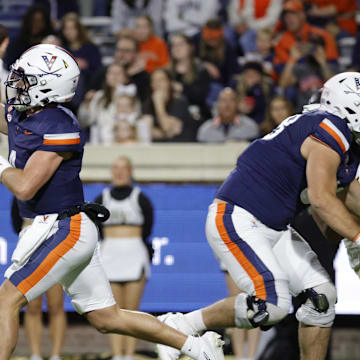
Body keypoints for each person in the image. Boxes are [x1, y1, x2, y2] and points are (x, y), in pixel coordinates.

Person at [0, 43, 225, 360]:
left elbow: (24, 187)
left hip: (63, 228)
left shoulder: (59, 124)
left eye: (25, 81)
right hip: (62, 227)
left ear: (47, 86)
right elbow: (8, 119)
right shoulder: (29, 114)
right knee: (107, 318)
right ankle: (196, 347)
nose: (16, 87)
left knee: (6, 301)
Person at [157, 71, 360, 360]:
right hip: (238, 216)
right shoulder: (330, 128)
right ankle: (183, 324)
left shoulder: (334, 135)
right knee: (272, 305)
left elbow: (348, 196)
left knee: (321, 298)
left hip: (272, 226)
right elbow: (322, 199)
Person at [95, 156, 153, 360]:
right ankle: (117, 354)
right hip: (110, 254)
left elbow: (147, 228)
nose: (119, 172)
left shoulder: (140, 198)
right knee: (113, 311)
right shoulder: (101, 199)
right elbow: (95, 228)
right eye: (115, 168)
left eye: (123, 168)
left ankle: (129, 354)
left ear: (130, 171)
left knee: (132, 310)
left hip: (134, 254)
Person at [10, 199, 66, 360]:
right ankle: (35, 354)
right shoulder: (23, 189)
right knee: (32, 304)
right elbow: (16, 221)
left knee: (55, 304)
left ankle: (56, 355)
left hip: (53, 238)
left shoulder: (54, 189)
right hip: (29, 242)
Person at [274, 0, 339, 110]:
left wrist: (322, 61)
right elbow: (283, 83)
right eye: (286, 16)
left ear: (303, 15)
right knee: (289, 91)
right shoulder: (282, 42)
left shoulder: (322, 35)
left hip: (324, 85)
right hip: (300, 88)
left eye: (293, 15)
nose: (289, 19)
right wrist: (293, 59)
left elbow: (335, 77)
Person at [142, 68, 196, 142]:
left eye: (161, 80)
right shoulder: (148, 103)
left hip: (180, 146)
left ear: (169, 82)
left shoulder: (179, 102)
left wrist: (158, 103)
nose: (157, 83)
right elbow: (145, 131)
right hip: (157, 147)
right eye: (154, 80)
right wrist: (165, 134)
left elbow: (167, 127)